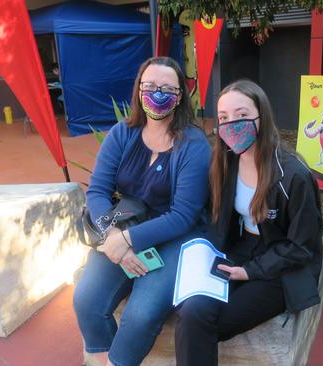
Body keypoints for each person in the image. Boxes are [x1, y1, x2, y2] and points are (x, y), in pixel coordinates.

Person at [175, 79, 323, 366]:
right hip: (243, 249)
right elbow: (218, 220)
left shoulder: (293, 175)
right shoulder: (226, 161)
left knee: (204, 326)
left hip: (283, 265)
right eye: (223, 118)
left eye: (242, 116)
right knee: (192, 311)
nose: (232, 125)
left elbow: (302, 248)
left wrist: (250, 271)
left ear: (262, 115)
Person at [73, 56, 211, 366]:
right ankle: (105, 358)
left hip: (176, 235)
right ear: (138, 89)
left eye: (167, 88)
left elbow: (183, 216)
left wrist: (129, 240)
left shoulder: (194, 144)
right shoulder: (123, 133)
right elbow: (97, 191)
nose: (157, 94)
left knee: (141, 314)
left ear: (179, 97)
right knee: (86, 301)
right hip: (123, 226)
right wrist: (115, 240)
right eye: (150, 86)